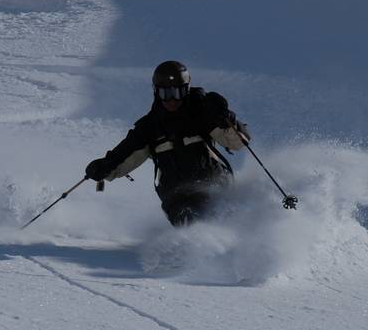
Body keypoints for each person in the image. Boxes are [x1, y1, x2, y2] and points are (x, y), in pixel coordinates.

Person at [85, 60, 251, 226]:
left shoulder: (202, 113)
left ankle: (239, 229)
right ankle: (198, 239)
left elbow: (238, 143)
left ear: (186, 90)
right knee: (187, 217)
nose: (172, 100)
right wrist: (103, 167)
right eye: (165, 94)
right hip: (177, 196)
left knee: (221, 211)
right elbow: (124, 155)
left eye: (178, 93)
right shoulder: (149, 127)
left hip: (212, 184)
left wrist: (227, 121)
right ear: (156, 92)